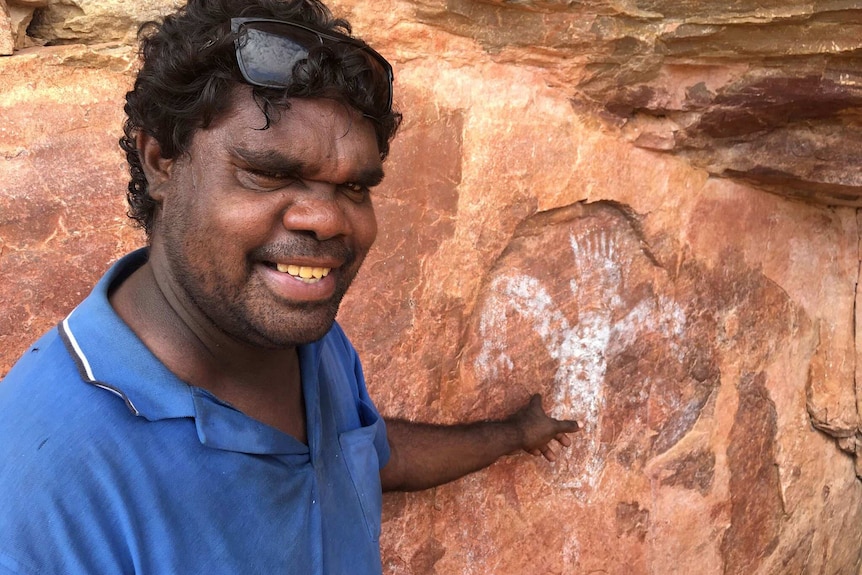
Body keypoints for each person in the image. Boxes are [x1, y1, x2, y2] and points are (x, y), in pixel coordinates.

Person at [0, 0, 580, 573]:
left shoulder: (302, 337)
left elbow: (365, 454)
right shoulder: (40, 488)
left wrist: (510, 435)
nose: (327, 220)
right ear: (161, 163)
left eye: (355, 188)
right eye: (271, 173)